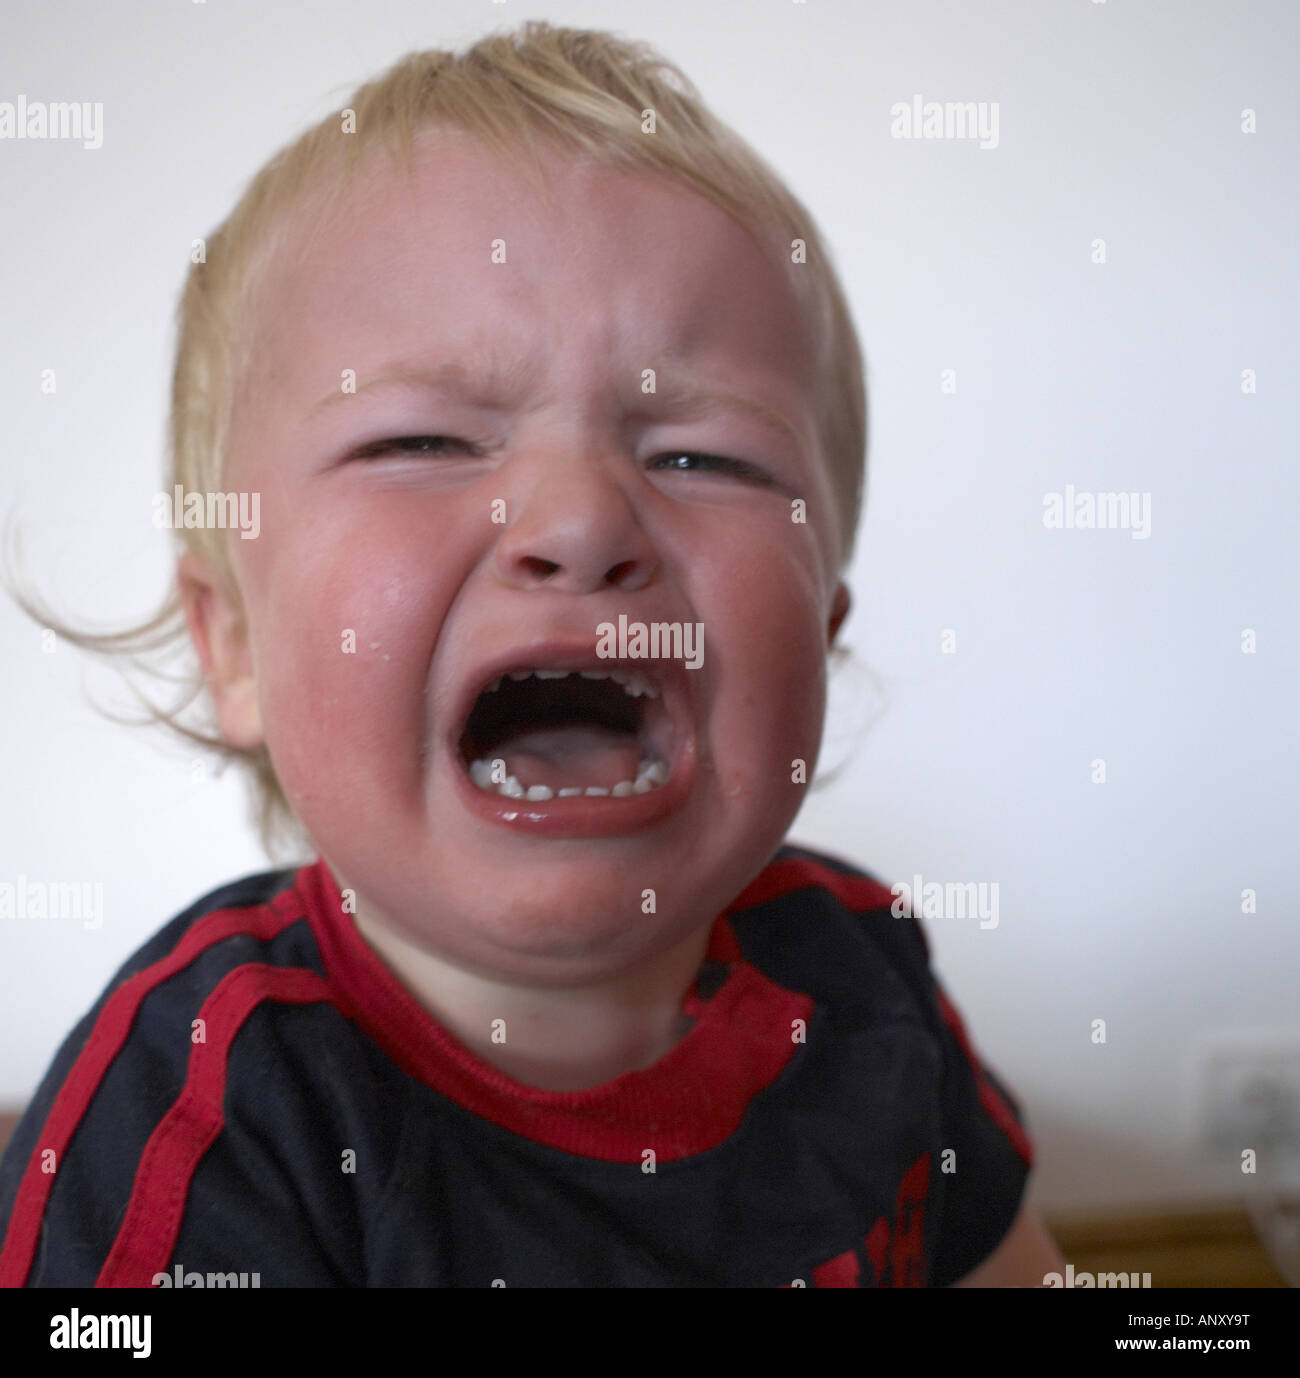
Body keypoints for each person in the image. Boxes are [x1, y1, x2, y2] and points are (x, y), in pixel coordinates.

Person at [0, 21, 1064, 1287]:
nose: (578, 520)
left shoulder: (858, 972)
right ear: (233, 644)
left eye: (703, 456)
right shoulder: (199, 1114)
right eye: (425, 443)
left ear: (823, 642)